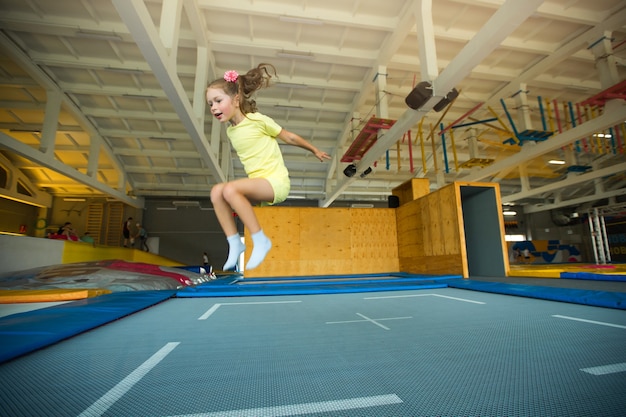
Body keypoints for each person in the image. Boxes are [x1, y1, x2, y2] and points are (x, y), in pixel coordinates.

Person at [206, 64, 331, 270]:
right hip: (258, 184)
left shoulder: (257, 120)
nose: (213, 108)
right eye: (210, 104)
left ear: (236, 100)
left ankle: (260, 240)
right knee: (216, 192)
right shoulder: (231, 131)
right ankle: (235, 242)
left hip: (276, 183)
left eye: (218, 101)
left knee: (228, 189)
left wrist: (314, 150)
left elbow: (288, 136)